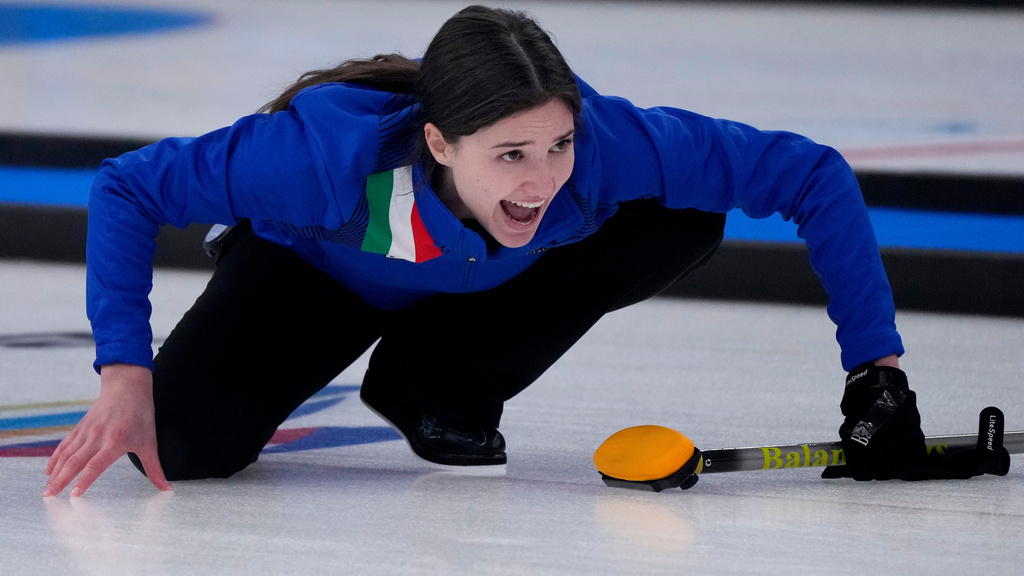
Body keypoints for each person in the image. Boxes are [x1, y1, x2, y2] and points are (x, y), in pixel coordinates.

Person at [42, 5, 1005, 498]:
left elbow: (812, 175)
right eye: (511, 154)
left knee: (682, 214)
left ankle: (437, 384)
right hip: (315, 278)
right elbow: (127, 185)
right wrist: (124, 373)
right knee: (187, 450)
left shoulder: (610, 149)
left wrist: (875, 372)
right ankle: (399, 358)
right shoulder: (316, 158)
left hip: (480, 286)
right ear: (439, 143)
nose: (543, 179)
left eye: (558, 145)